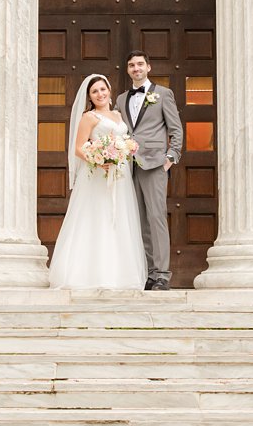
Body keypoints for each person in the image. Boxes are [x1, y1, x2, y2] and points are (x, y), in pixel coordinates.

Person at [49, 74, 148, 289]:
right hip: (97, 176)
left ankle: (121, 275)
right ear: (90, 97)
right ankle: (89, 275)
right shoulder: (89, 117)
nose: (100, 94)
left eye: (103, 89)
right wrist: (98, 159)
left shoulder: (118, 115)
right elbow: (78, 147)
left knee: (118, 219)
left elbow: (123, 141)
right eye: (95, 92)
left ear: (109, 90)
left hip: (120, 177)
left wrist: (123, 151)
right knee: (97, 218)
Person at [115, 50, 183, 291]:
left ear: (148, 67)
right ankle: (149, 272)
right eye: (132, 65)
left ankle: (163, 274)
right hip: (127, 166)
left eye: (140, 64)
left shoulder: (163, 94)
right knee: (138, 220)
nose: (136, 68)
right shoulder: (122, 99)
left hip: (154, 164)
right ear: (127, 70)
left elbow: (176, 128)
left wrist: (170, 158)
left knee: (156, 218)